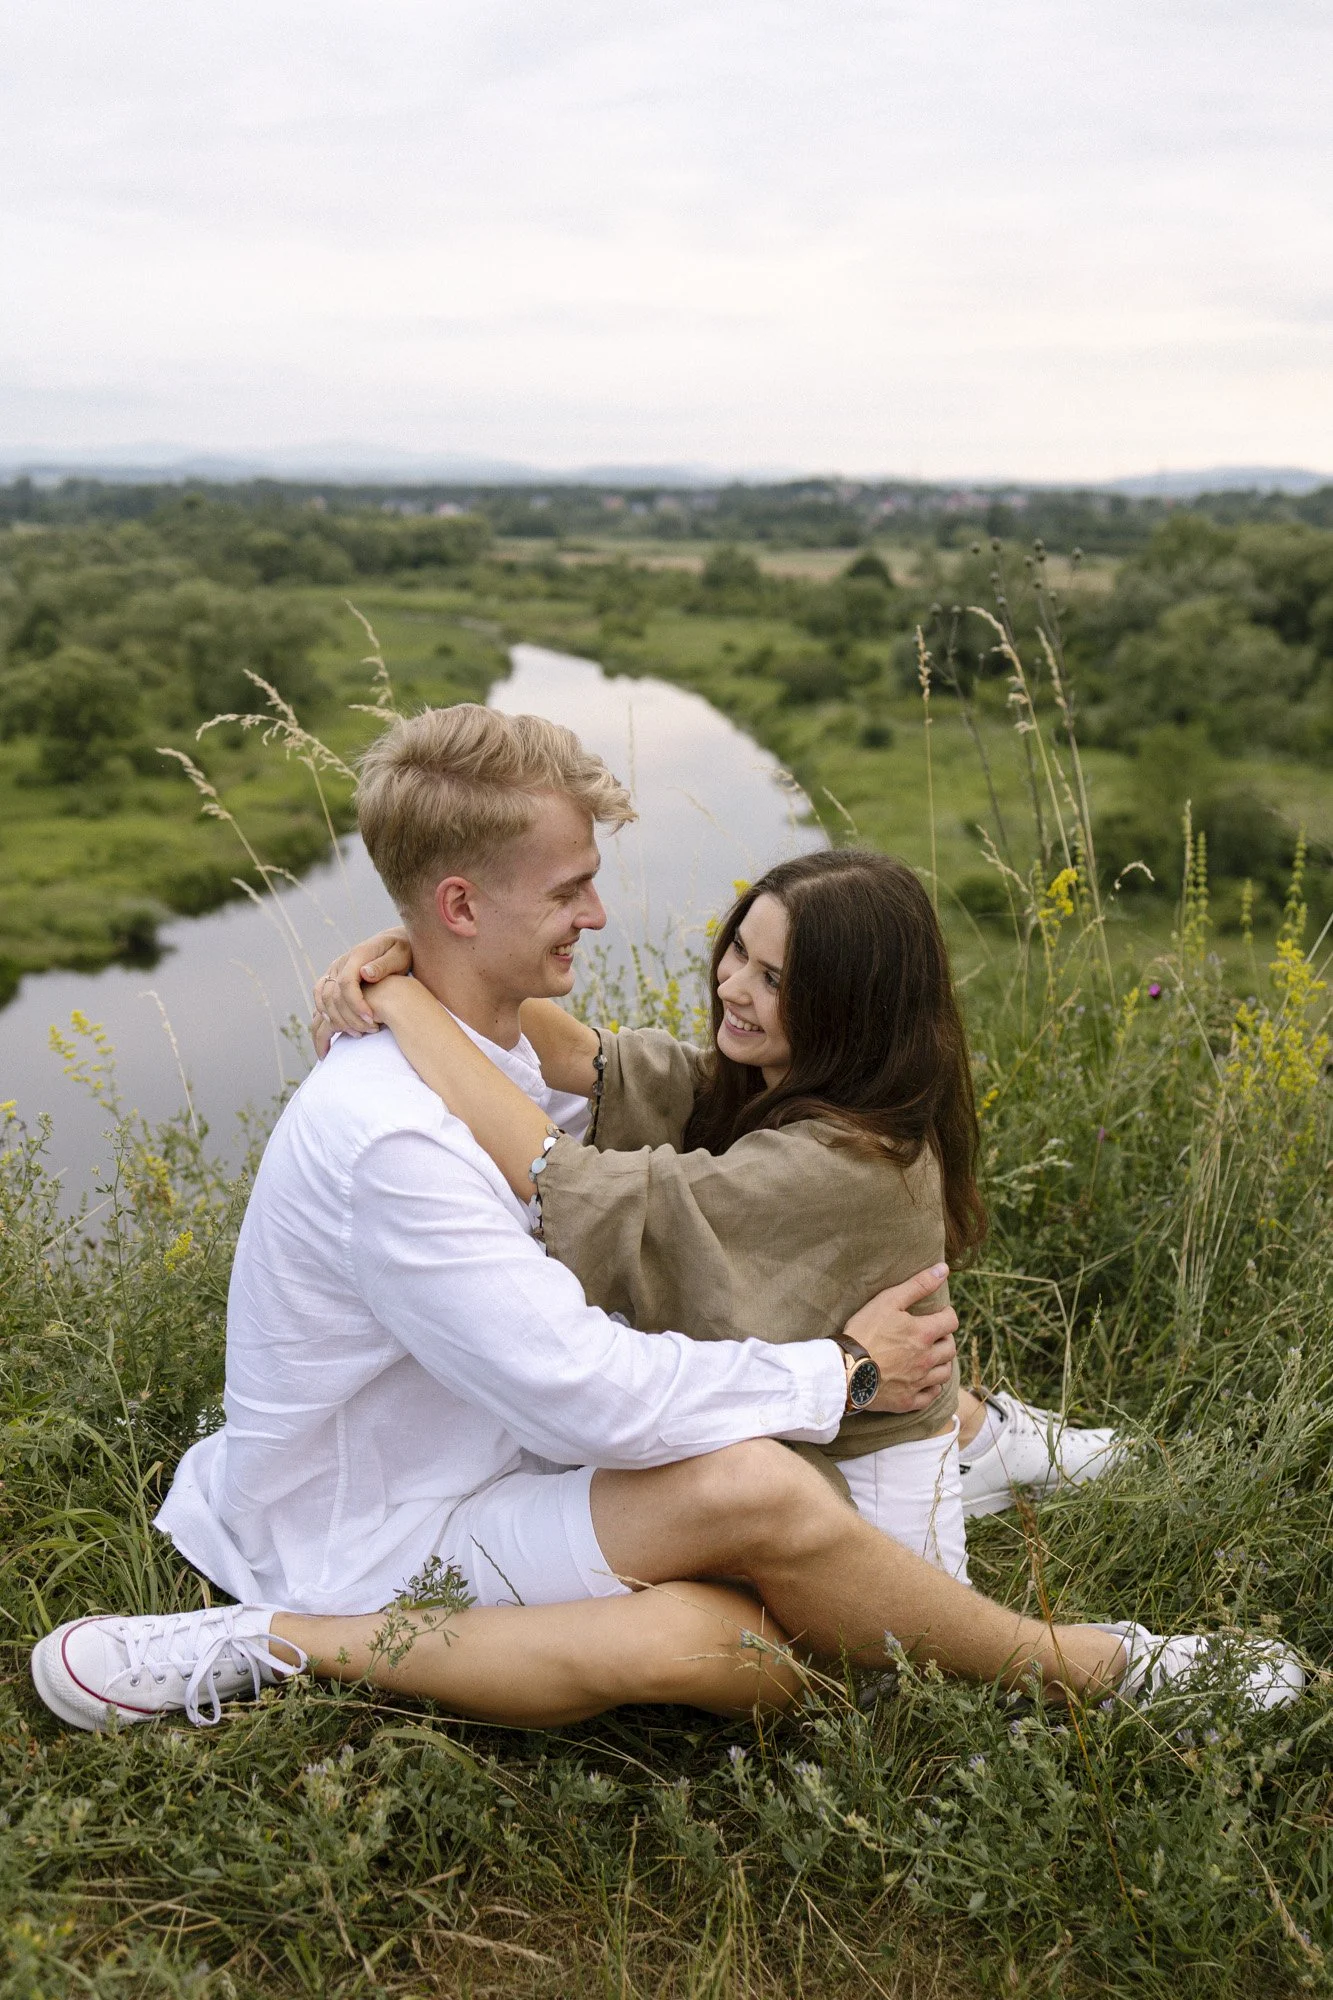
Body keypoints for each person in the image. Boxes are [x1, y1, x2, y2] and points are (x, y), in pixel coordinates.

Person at [30, 706, 1302, 1732]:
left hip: (488, 1464)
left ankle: (974, 1447)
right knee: (769, 1543)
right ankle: (1097, 1667)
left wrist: (406, 960)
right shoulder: (397, 1138)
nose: (596, 913)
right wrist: (843, 1374)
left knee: (752, 1647)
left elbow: (606, 1099)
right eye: (572, 887)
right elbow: (589, 1383)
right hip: (379, 1525)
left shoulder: (496, 1053)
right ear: (466, 906)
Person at [316, 856, 1119, 1556]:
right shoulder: (810, 1086)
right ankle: (993, 1447)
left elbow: (567, 1180)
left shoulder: (846, 1159)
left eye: (773, 981)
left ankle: (988, 1468)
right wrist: (429, 968)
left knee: (866, 1689)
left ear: (847, 1010)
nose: (733, 985)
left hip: (868, 1489)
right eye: (738, 949)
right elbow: (603, 1061)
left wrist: (408, 1007)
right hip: (832, 1435)